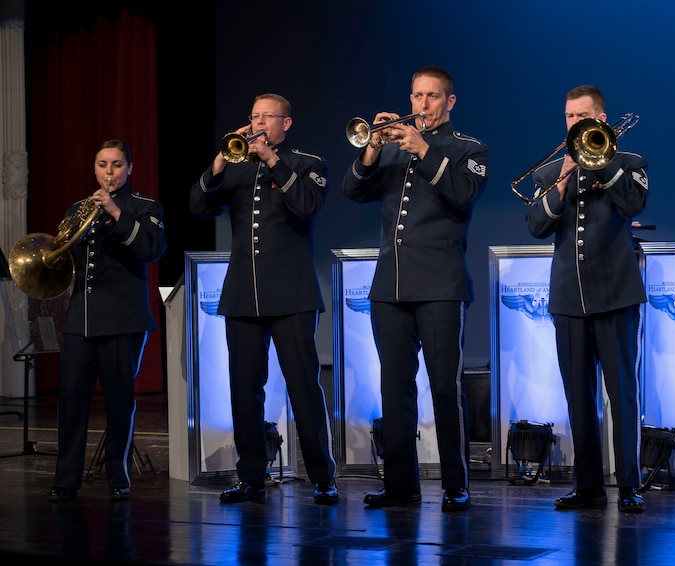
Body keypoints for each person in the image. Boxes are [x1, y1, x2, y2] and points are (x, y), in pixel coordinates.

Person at [342, 65, 490, 512]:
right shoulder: (391, 148)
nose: (421, 105)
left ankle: (455, 484)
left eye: (431, 96)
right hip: (390, 286)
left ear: (450, 102)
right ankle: (400, 485)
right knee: (395, 388)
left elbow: (463, 194)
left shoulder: (469, 149)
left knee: (445, 389)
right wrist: (371, 149)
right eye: (416, 96)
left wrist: (424, 149)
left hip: (441, 287)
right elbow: (352, 190)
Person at [190, 93, 338, 504]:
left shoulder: (308, 164)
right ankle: (252, 476)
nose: (257, 124)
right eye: (253, 116)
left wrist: (273, 160)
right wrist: (219, 162)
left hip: (291, 295)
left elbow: (306, 205)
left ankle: (323, 476)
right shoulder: (235, 167)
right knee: (244, 390)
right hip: (243, 295)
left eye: (266, 117)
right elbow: (198, 205)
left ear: (285, 124)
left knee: (304, 388)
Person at [526, 85, 649, 513]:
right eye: (569, 117)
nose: (575, 124)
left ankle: (631, 485)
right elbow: (536, 225)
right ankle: (589, 485)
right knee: (579, 397)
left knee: (623, 395)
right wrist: (560, 183)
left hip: (616, 297)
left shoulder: (628, 163)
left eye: (582, 116)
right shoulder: (550, 173)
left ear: (600, 117)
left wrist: (603, 162)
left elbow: (633, 202)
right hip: (568, 300)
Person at [49, 139, 167, 502]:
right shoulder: (77, 209)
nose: (109, 172)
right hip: (80, 320)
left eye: (116, 165)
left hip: (123, 321)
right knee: (71, 402)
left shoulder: (145, 207)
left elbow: (151, 250)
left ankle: (119, 475)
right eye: (102, 164)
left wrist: (116, 212)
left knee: (119, 401)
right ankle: (65, 479)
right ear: (95, 169)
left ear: (129, 168)